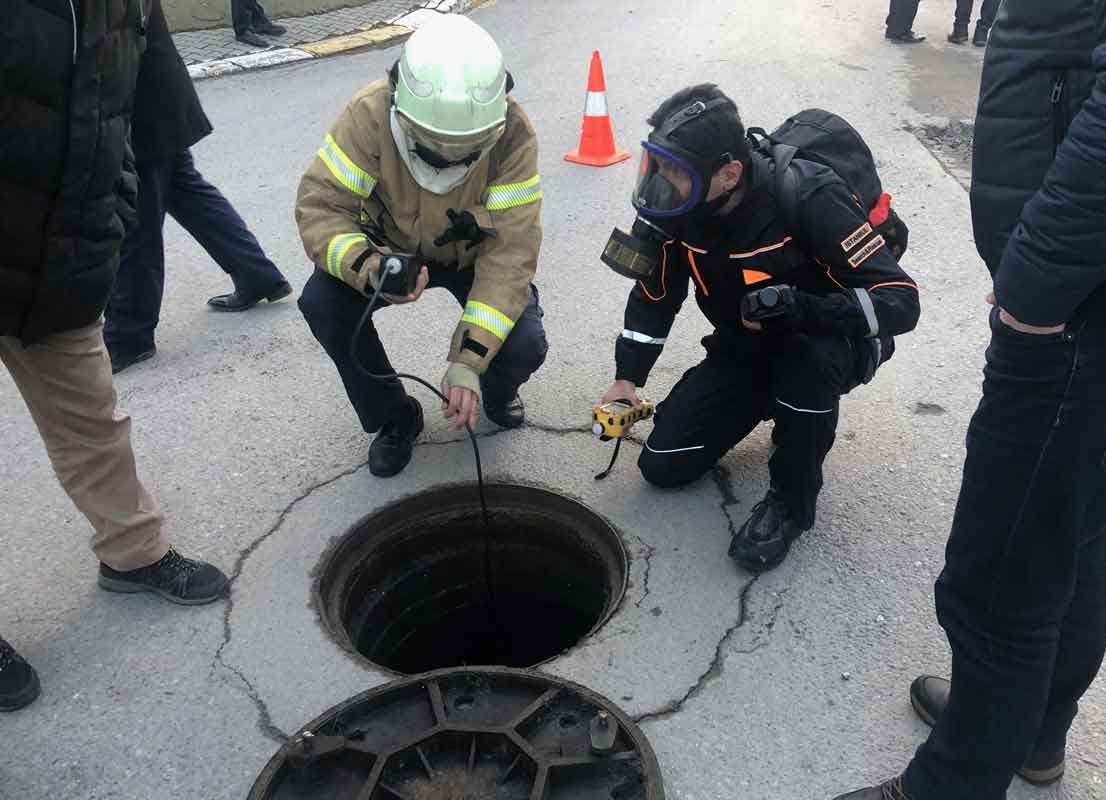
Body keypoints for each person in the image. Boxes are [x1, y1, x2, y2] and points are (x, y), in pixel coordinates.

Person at [835, 0, 1106, 798]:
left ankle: (955, 783)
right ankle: (1028, 732)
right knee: (1069, 532)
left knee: (1001, 576)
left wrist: (1033, 293)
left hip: (1098, 317)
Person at [1, 0, 231, 713]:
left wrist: (116, 206)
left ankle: (134, 555)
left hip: (57, 259)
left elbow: (119, 111)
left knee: (92, 422)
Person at [597, 85, 920, 574]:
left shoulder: (808, 194)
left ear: (728, 174)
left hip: (822, 341)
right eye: (656, 166)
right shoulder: (673, 213)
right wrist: (627, 378)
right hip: (743, 349)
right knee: (663, 465)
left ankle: (791, 503)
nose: (661, 183)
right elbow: (654, 295)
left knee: (809, 365)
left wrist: (803, 309)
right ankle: (776, 405)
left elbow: (900, 300)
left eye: (674, 172)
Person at [296, 13, 548, 478]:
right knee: (323, 304)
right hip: (390, 250)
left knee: (524, 343)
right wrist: (367, 265)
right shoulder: (369, 115)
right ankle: (395, 415)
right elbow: (321, 209)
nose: (449, 158)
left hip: (471, 252)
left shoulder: (512, 133)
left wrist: (469, 361)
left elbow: (512, 250)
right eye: (434, 146)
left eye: (466, 148)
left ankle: (492, 387)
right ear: (402, 110)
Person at [105, 0, 292, 374]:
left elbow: (108, 45)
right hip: (156, 97)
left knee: (139, 223)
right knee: (189, 195)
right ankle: (257, 276)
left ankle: (129, 336)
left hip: (142, 107)